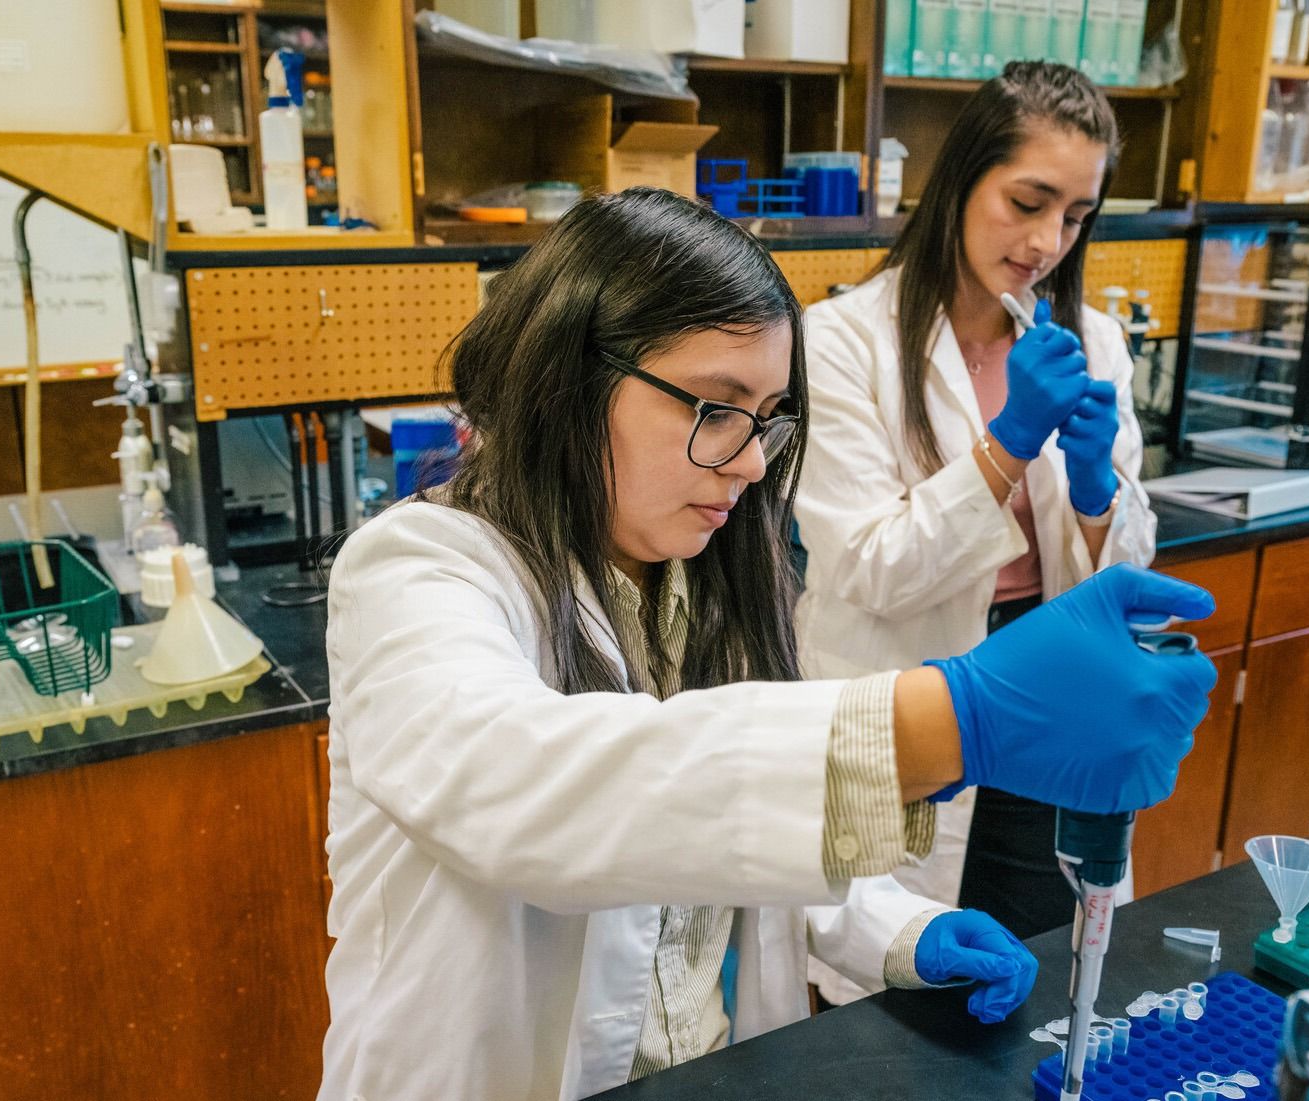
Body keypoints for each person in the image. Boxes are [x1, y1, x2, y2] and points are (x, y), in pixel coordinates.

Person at [320, 187, 1214, 1101]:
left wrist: (895, 928)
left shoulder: (702, 580)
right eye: (716, 406)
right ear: (567, 379)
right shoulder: (416, 569)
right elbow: (526, 787)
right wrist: (950, 719)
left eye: (769, 415)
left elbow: (719, 834)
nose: (752, 460)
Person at [795, 63, 1159, 998]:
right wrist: (1004, 448)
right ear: (959, 180)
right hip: (909, 704)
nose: (1046, 241)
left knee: (1038, 968)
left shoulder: (1095, 341)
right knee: (892, 994)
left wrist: (1091, 493)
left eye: (1075, 214)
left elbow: (1124, 571)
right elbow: (867, 565)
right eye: (1027, 201)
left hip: (1048, 705)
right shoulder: (840, 342)